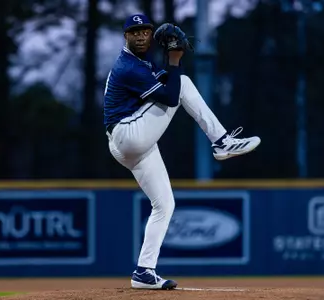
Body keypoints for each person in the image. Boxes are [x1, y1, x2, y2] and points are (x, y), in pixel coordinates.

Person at [103, 14, 261, 290]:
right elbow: (172, 96)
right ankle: (221, 141)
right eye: (134, 31)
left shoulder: (140, 64)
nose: (140, 35)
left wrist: (171, 62)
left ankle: (144, 271)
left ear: (151, 35)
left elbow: (165, 87)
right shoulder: (128, 65)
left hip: (130, 144)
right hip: (129, 134)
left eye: (145, 31)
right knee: (185, 83)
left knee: (164, 205)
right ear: (125, 36)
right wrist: (175, 60)